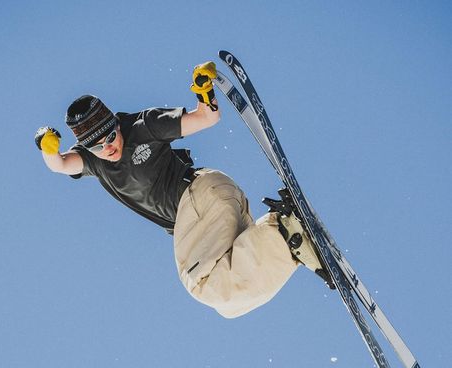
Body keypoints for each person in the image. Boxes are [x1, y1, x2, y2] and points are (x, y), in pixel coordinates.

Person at [35, 61, 324, 318]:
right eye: (97, 145)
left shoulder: (141, 126)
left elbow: (206, 118)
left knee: (200, 282)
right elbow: (59, 165)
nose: (108, 147)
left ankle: (287, 231)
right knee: (230, 302)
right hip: (212, 205)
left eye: (111, 135)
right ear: (87, 147)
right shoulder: (93, 162)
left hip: (199, 197)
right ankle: (294, 243)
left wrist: (204, 92)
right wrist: (47, 148)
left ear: (116, 124)